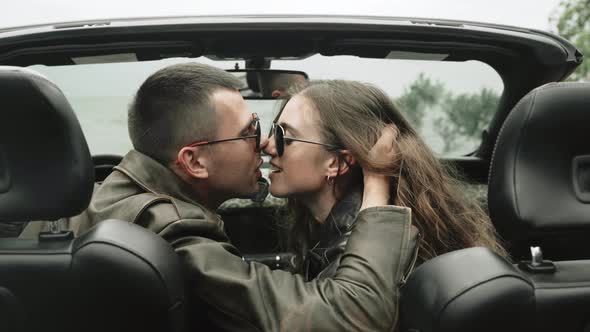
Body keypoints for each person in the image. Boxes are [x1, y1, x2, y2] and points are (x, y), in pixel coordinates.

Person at [24, 63, 417, 331]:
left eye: (274, 132)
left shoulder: (104, 199)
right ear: (194, 161)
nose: (263, 145)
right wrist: (379, 177)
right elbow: (351, 316)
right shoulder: (168, 229)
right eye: (251, 132)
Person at [264, 80, 507, 280]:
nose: (267, 145)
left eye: (284, 136)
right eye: (272, 130)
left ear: (337, 163)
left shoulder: (354, 257)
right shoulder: (334, 232)